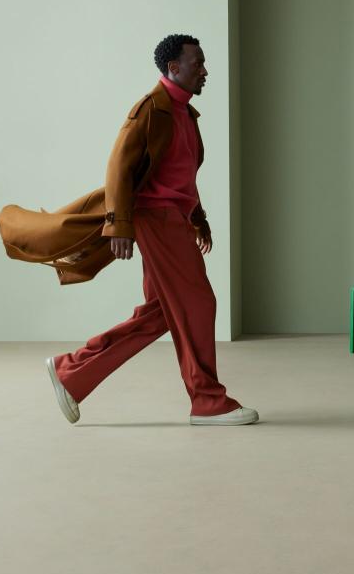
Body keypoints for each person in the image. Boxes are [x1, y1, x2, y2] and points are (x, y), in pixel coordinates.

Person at [42, 34, 258, 426]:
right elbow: (118, 168)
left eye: (204, 63)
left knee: (163, 312)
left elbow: (178, 174)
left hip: (173, 219)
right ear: (173, 68)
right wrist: (118, 224)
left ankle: (71, 372)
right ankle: (208, 400)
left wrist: (198, 216)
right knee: (197, 304)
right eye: (197, 63)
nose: (204, 70)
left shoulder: (184, 115)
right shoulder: (151, 109)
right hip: (154, 218)